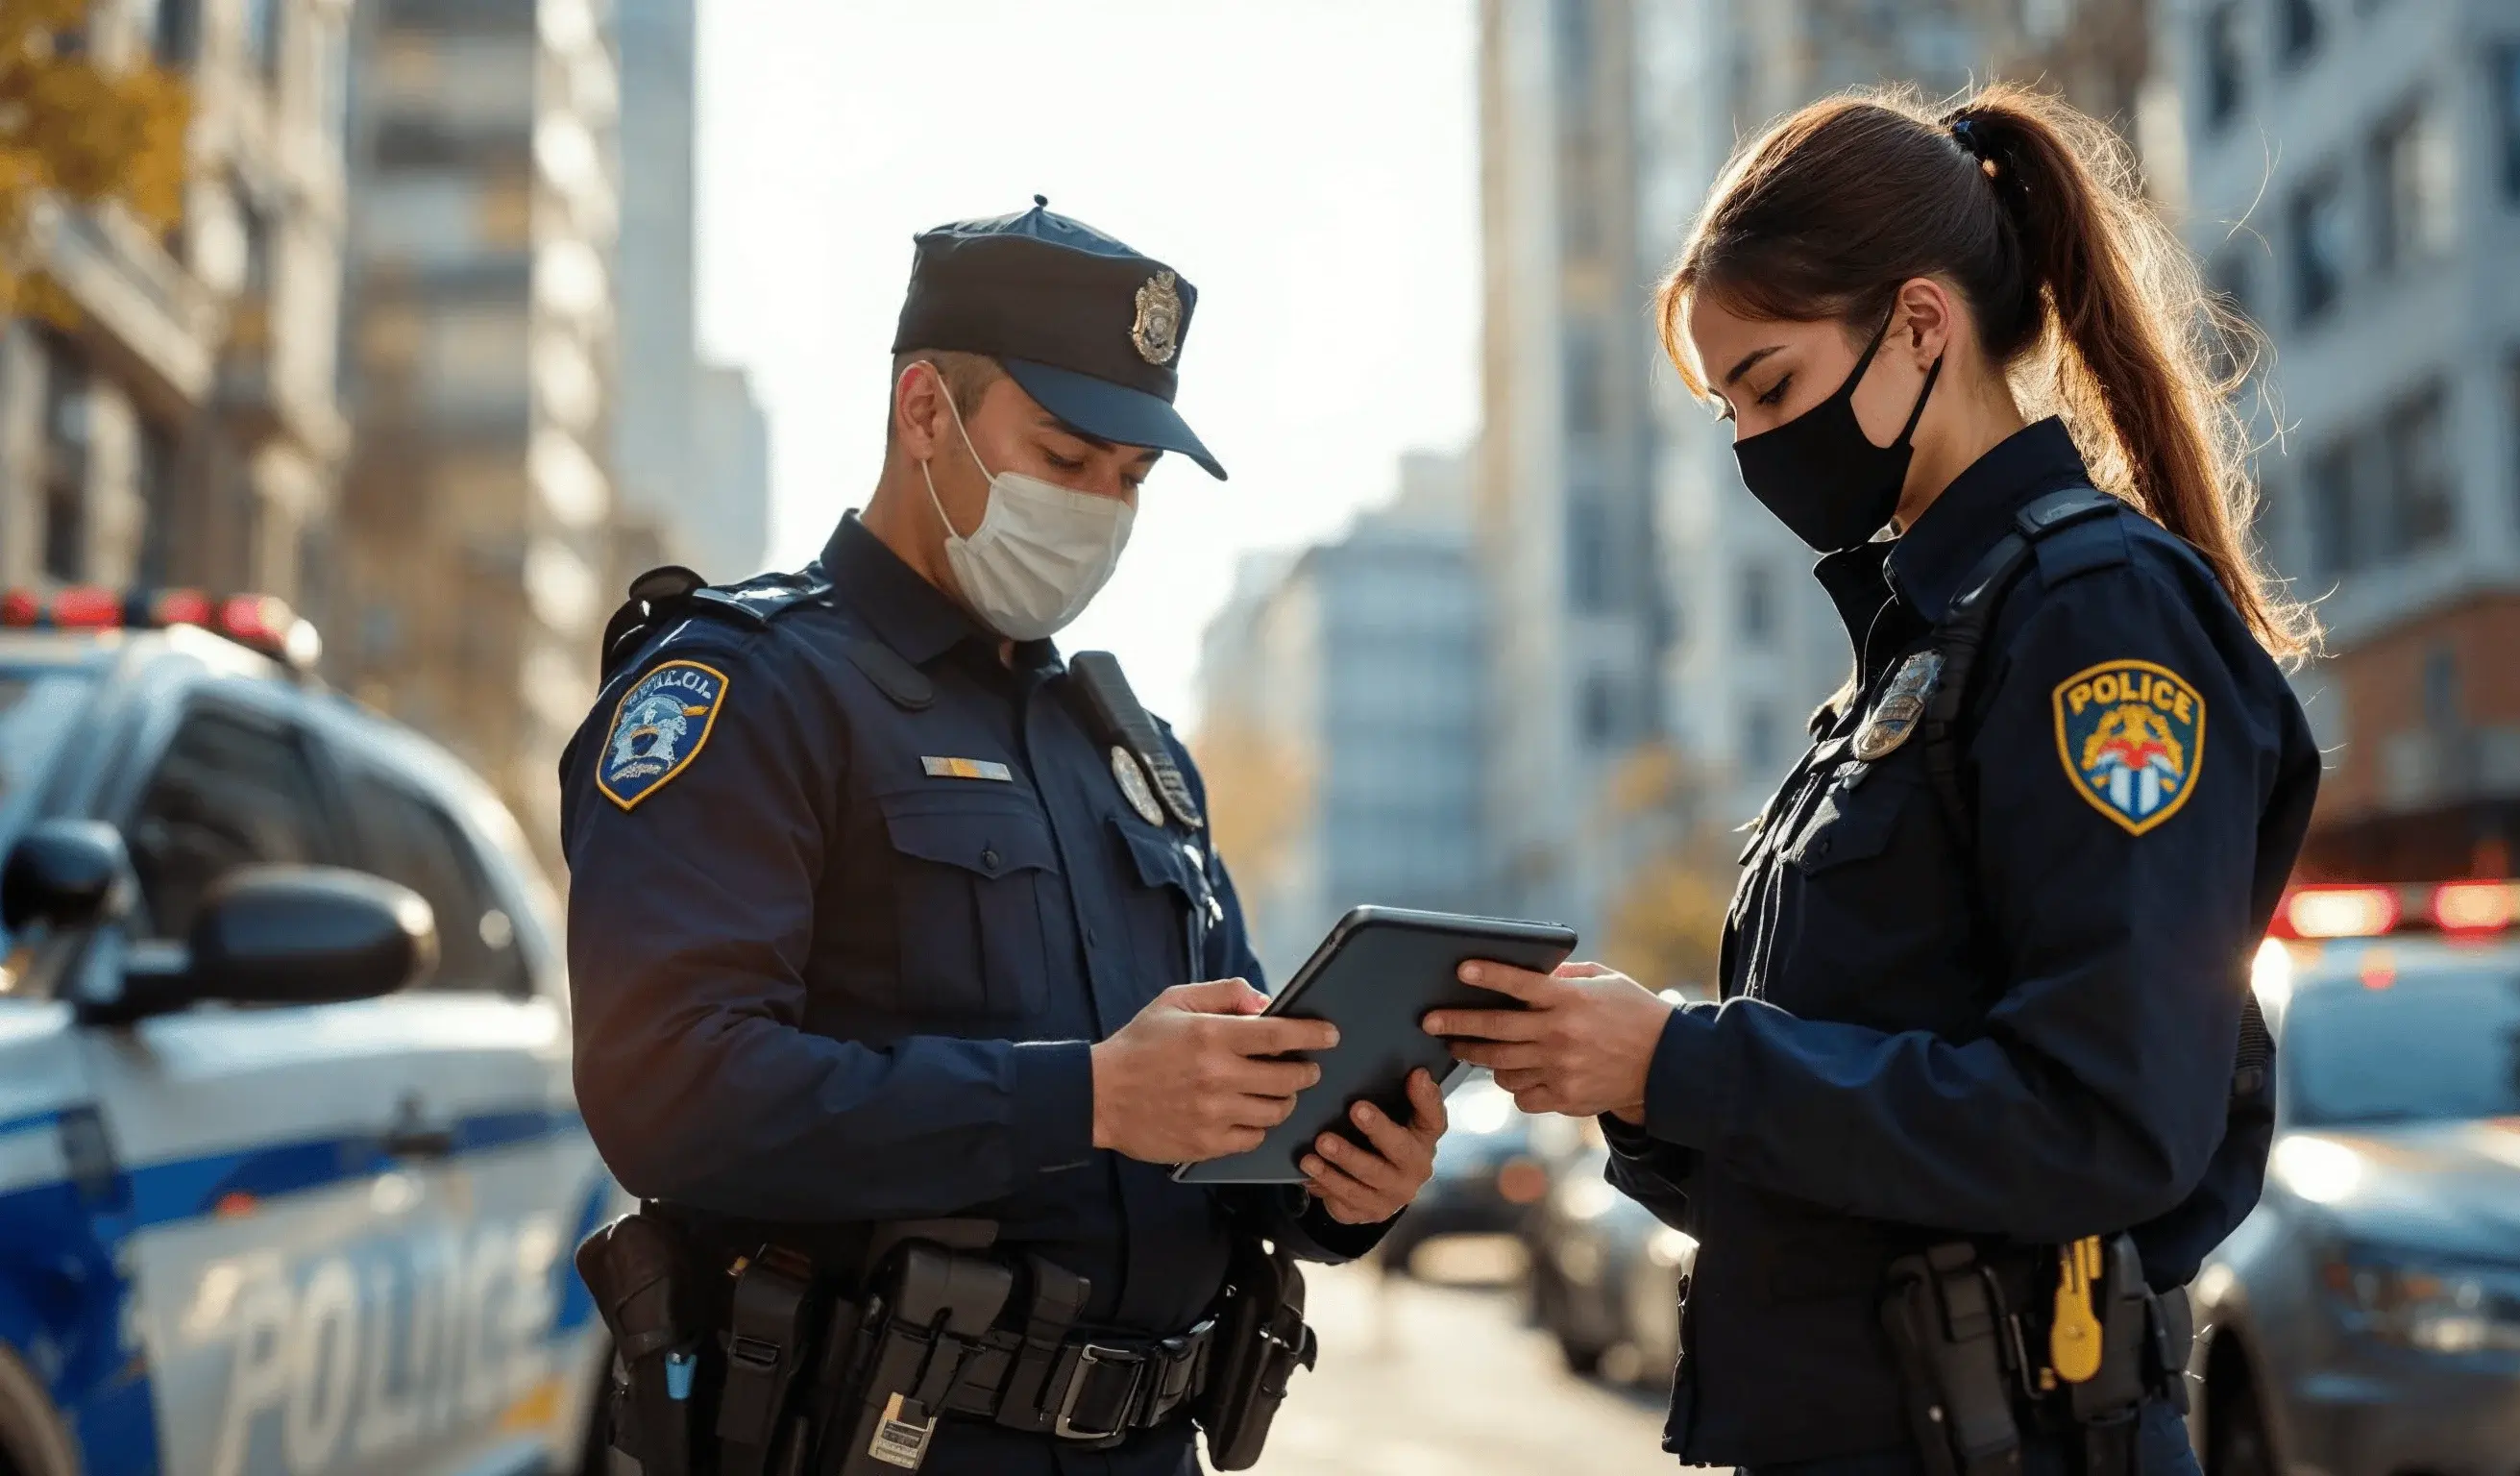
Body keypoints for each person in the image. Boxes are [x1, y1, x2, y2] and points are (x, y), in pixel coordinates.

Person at [1426, 85, 2320, 1474]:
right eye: (1726, 406)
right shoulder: (1915, 651)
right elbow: (1852, 1158)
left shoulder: (2094, 619)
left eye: (1771, 384)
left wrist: (1688, 1062)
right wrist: (1627, 1076)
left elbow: (2103, 1121)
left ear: (1920, 324)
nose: (1749, 446)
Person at [561, 199, 1447, 1476]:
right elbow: (667, 1091)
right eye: (1066, 458)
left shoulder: (1130, 753)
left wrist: (1336, 1181)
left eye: (1132, 480)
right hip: (871, 1444)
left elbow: (1210, 1113)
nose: (1102, 507)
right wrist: (1083, 1098)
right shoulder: (748, 690)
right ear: (926, 413)